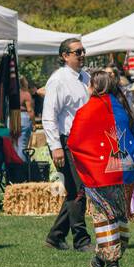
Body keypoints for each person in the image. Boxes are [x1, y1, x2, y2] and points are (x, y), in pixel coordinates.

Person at [66, 71, 134, 267]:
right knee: (119, 217)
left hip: (99, 175)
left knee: (104, 218)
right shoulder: (124, 108)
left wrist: (90, 160)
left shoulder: (87, 111)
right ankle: (103, 260)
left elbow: (74, 142)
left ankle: (111, 264)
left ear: (94, 86)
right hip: (124, 172)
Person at [42, 37, 92, 252]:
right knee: (79, 190)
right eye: (77, 52)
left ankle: (56, 235)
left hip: (83, 141)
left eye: (83, 51)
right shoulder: (58, 80)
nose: (82, 55)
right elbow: (49, 115)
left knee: (75, 191)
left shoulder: (85, 78)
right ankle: (81, 239)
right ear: (65, 56)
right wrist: (56, 146)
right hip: (66, 140)